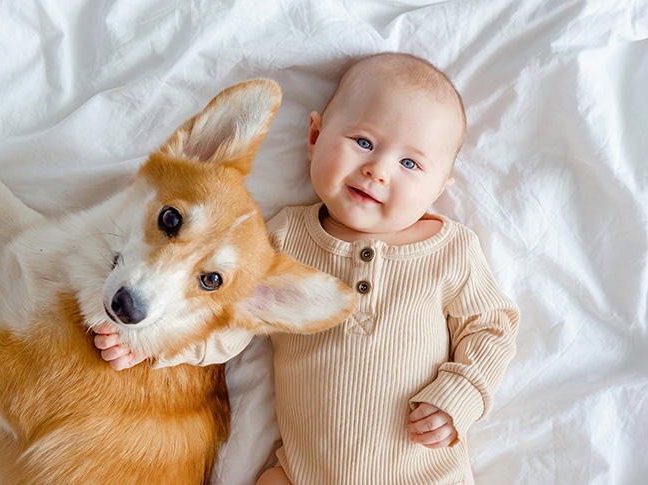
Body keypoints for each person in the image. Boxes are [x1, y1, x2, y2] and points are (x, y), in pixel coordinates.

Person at [94, 52, 520, 484]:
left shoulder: (450, 250)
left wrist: (462, 393)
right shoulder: (280, 241)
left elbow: (492, 327)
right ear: (315, 137)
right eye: (364, 143)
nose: (378, 170)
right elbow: (227, 319)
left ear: (438, 188)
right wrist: (154, 344)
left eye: (410, 164)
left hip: (423, 474)